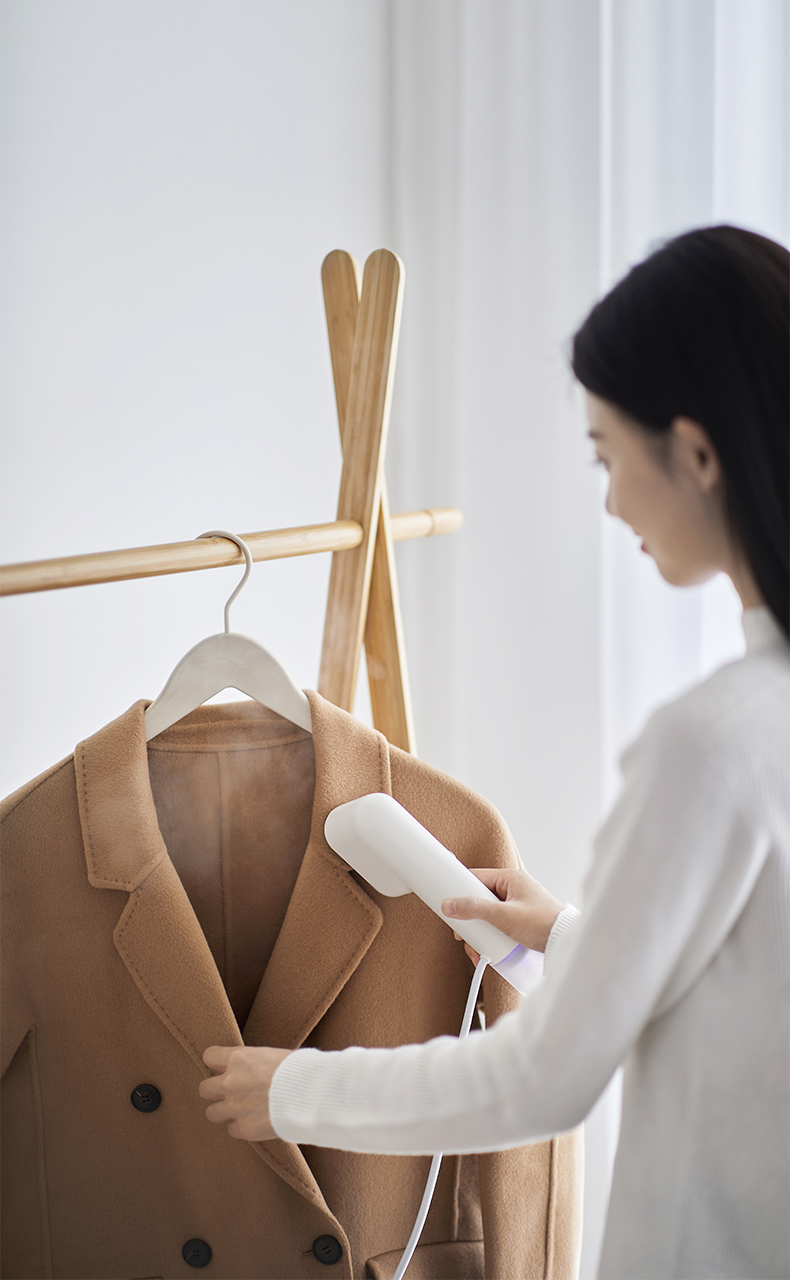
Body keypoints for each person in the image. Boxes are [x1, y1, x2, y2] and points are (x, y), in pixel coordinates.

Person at [198, 226, 790, 1280]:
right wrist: (574, 935)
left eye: (606, 456)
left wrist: (291, 1090)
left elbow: (541, 1080)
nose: (610, 500)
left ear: (697, 455)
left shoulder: (708, 745)